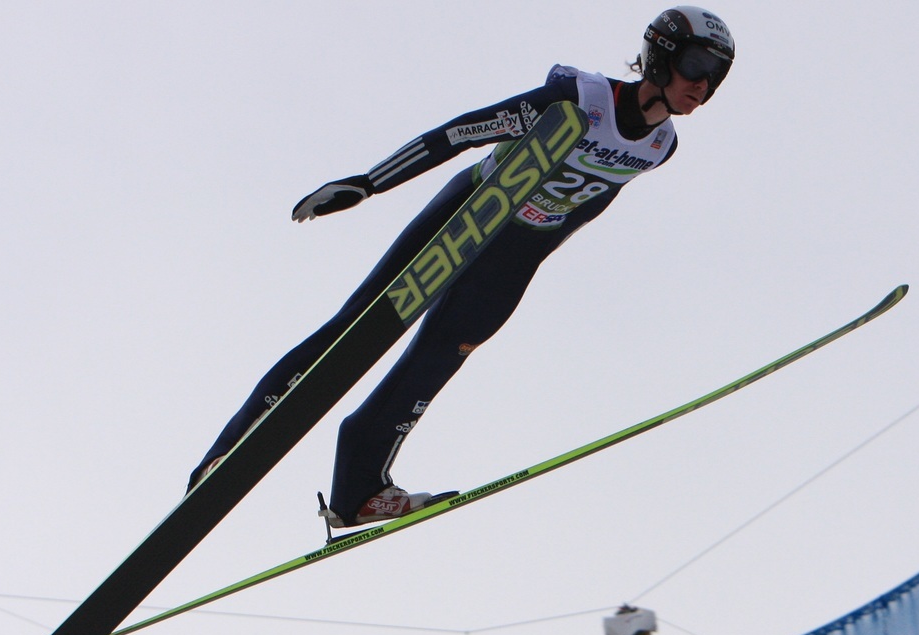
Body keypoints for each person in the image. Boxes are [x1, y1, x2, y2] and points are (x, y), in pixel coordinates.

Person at [188, 6, 736, 528]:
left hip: (516, 253)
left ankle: (358, 490)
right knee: (357, 328)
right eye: (696, 66)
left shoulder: (660, 145)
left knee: (439, 359)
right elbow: (464, 132)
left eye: (716, 76)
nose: (703, 85)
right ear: (661, 55)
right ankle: (229, 450)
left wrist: (528, 261)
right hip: (470, 211)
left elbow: (590, 204)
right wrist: (369, 183)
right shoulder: (580, 98)